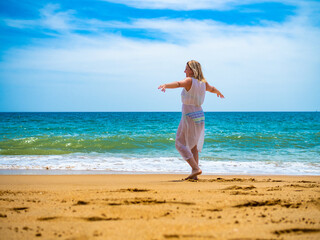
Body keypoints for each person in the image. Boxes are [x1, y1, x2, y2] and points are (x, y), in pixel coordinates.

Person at [158, 60, 224, 180]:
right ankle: (194, 174)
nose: (184, 71)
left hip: (189, 116)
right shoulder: (203, 83)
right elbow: (212, 88)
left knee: (179, 143)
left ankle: (195, 168)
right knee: (193, 146)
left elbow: (178, 83)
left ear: (192, 70)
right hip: (200, 116)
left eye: (186, 69)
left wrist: (165, 85)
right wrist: (218, 92)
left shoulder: (189, 81)